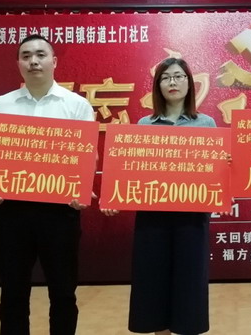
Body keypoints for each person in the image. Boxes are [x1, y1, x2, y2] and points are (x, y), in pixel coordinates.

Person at [0, 35, 94, 335]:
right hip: (11, 212)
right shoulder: (0, 105)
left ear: (54, 61)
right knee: (12, 292)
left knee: (64, 292)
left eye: (40, 55)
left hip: (60, 212)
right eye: (26, 55)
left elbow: (86, 155)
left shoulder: (76, 105)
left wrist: (81, 189)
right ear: (18, 63)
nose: (33, 61)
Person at [102, 57, 216, 335]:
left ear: (189, 83)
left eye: (178, 76)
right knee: (153, 284)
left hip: (192, 219)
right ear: (158, 86)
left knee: (189, 284)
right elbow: (130, 172)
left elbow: (216, 171)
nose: (172, 82)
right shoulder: (145, 124)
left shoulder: (206, 123)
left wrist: (223, 171)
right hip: (152, 219)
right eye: (165, 78)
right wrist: (114, 197)